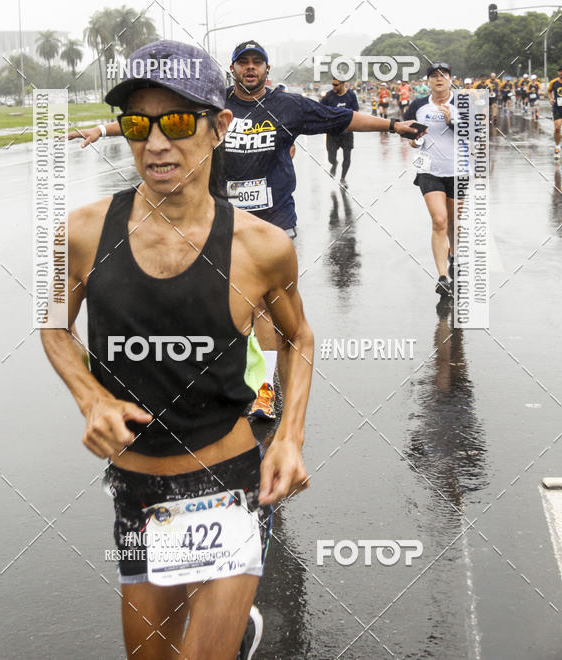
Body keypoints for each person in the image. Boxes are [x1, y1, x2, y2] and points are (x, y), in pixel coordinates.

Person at [44, 40, 313, 660]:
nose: (157, 144)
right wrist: (91, 398)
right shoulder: (80, 233)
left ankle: (228, 630)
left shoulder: (263, 247)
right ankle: (237, 633)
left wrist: (291, 436)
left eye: (179, 123)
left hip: (228, 484)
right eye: (139, 125)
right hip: (136, 493)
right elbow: (53, 325)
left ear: (219, 127)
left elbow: (299, 336)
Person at [72, 40, 419, 419]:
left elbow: (341, 119)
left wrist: (394, 125)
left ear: (267, 70)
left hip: (273, 222)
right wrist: (103, 131)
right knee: (227, 310)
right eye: (243, 63)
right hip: (221, 221)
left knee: (264, 311)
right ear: (233, 69)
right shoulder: (215, 104)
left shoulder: (288, 106)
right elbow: (159, 122)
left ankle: (265, 390)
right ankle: (219, 382)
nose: (250, 68)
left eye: (257, 62)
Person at [404, 61, 456, 298]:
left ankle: (454, 255)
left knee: (454, 224)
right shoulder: (417, 105)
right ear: (427, 82)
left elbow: (479, 133)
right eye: (433, 76)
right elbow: (409, 135)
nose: (438, 79)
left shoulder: (463, 103)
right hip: (429, 170)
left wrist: (452, 122)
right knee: (439, 219)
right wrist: (414, 140)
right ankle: (443, 276)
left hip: (458, 170)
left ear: (450, 78)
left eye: (443, 75)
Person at [321, 77, 360, 184]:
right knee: (330, 157)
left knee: (347, 155)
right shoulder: (329, 95)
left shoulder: (351, 95)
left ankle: (343, 178)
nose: (334, 87)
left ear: (343, 84)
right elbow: (320, 109)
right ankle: (334, 164)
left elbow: (356, 111)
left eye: (336, 85)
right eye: (332, 84)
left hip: (347, 132)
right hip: (332, 132)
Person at [548, 64, 562, 157]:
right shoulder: (553, 82)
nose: (561, 73)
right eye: (560, 71)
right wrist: (551, 98)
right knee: (557, 128)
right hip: (557, 108)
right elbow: (549, 91)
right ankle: (557, 146)